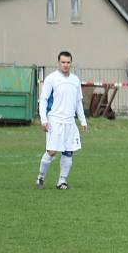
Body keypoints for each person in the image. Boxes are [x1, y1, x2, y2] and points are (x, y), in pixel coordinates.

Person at [36, 51, 88, 190]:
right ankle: (40, 177)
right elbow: (44, 100)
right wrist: (43, 120)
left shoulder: (75, 80)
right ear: (58, 63)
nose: (65, 65)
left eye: (68, 62)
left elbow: (78, 102)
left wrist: (83, 121)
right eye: (63, 62)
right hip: (55, 121)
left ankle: (62, 182)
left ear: (71, 63)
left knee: (68, 151)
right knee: (52, 151)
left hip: (70, 122)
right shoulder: (51, 79)